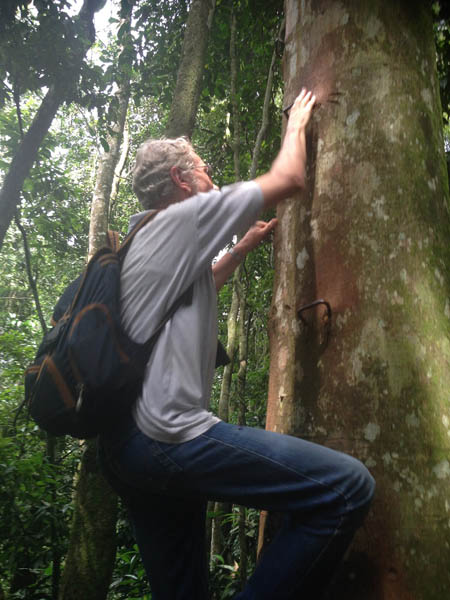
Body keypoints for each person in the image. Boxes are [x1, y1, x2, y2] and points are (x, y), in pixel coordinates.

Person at [98, 89, 375, 600]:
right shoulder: (181, 221)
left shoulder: (142, 238)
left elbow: (187, 292)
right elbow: (289, 180)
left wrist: (242, 247)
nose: (212, 177)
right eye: (203, 168)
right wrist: (296, 125)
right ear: (182, 180)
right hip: (168, 437)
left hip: (127, 450)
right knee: (346, 488)